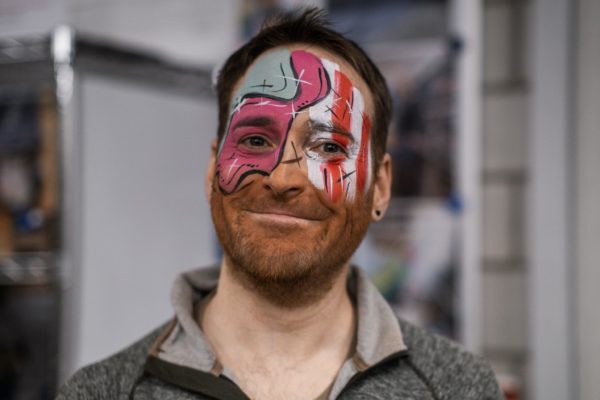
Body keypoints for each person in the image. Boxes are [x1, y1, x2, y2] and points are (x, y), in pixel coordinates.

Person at [57, 8, 503, 400]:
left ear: (380, 187)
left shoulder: (457, 388)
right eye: (255, 140)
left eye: (328, 147)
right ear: (213, 169)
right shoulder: (101, 393)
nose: (283, 177)